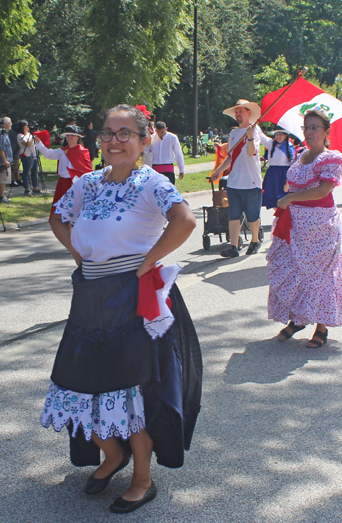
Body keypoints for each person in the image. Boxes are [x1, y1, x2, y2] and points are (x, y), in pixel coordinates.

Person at [41, 104, 202, 514]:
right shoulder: (87, 183)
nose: (115, 141)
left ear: (144, 141)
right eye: (109, 134)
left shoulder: (152, 183)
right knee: (79, 382)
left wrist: (148, 262)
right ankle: (112, 455)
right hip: (90, 297)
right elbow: (58, 219)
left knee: (132, 391)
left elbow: (184, 221)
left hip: (133, 299)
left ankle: (143, 478)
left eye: (125, 133)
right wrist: (80, 256)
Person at [267, 109, 342, 348]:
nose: (310, 131)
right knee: (295, 271)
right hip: (296, 224)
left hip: (321, 225)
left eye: (315, 127)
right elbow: (294, 181)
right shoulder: (301, 154)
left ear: (326, 132)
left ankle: (321, 327)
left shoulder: (330, 157)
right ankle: (298, 318)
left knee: (320, 275)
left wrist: (291, 198)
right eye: (306, 127)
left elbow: (323, 190)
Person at [211, 99, 264, 257]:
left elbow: (250, 152)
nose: (238, 115)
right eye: (236, 112)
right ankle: (233, 246)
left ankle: (255, 241)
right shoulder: (233, 133)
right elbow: (231, 157)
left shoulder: (254, 130)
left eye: (241, 111)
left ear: (249, 113)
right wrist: (219, 171)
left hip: (252, 182)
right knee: (233, 215)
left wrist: (249, 138)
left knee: (253, 216)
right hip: (235, 182)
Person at [34, 125, 93, 219]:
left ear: (78, 137)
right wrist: (39, 143)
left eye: (72, 135)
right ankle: (62, 228)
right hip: (63, 182)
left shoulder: (83, 151)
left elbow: (87, 171)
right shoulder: (62, 151)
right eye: (68, 135)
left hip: (76, 184)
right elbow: (49, 154)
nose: (69, 137)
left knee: (75, 209)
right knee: (61, 209)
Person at [260, 127, 295, 209]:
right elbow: (261, 136)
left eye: (281, 134)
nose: (278, 136)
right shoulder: (271, 144)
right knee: (271, 196)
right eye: (277, 134)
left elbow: (293, 162)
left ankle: (283, 216)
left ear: (286, 136)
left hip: (283, 174)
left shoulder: (288, 146)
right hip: (272, 173)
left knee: (283, 196)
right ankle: (278, 215)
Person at [17, 120, 40, 196]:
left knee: (35, 172)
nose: (28, 127)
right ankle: (27, 189)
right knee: (26, 172)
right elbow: (27, 144)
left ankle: (35, 188)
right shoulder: (20, 135)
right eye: (26, 125)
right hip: (26, 156)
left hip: (34, 155)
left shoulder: (29, 134)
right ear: (22, 127)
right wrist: (32, 137)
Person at [0, 117, 13, 203]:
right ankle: (1, 197)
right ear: (6, 124)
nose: (11, 124)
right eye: (10, 122)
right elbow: (1, 149)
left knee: (3, 179)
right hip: (3, 161)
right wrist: (5, 160)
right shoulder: (2, 134)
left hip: (5, 160)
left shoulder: (5, 134)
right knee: (2, 180)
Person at [8, 120, 21, 186]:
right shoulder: (16, 134)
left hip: (13, 152)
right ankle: (12, 180)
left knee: (16, 167)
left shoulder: (10, 132)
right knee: (14, 168)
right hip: (14, 153)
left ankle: (17, 179)